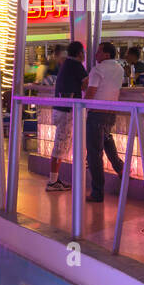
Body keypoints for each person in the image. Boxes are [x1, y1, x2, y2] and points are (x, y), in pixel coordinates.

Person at [84, 41, 125, 204]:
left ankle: (97, 192)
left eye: (99, 52)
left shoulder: (98, 69)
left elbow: (91, 92)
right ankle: (120, 168)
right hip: (111, 113)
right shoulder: (119, 68)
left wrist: (82, 106)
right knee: (106, 140)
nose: (96, 55)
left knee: (94, 154)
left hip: (96, 114)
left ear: (107, 54)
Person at [46, 41, 87, 192]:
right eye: (83, 52)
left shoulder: (67, 65)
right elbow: (86, 85)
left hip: (60, 109)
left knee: (61, 144)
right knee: (60, 146)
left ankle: (54, 180)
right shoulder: (75, 65)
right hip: (66, 111)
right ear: (79, 53)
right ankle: (52, 181)